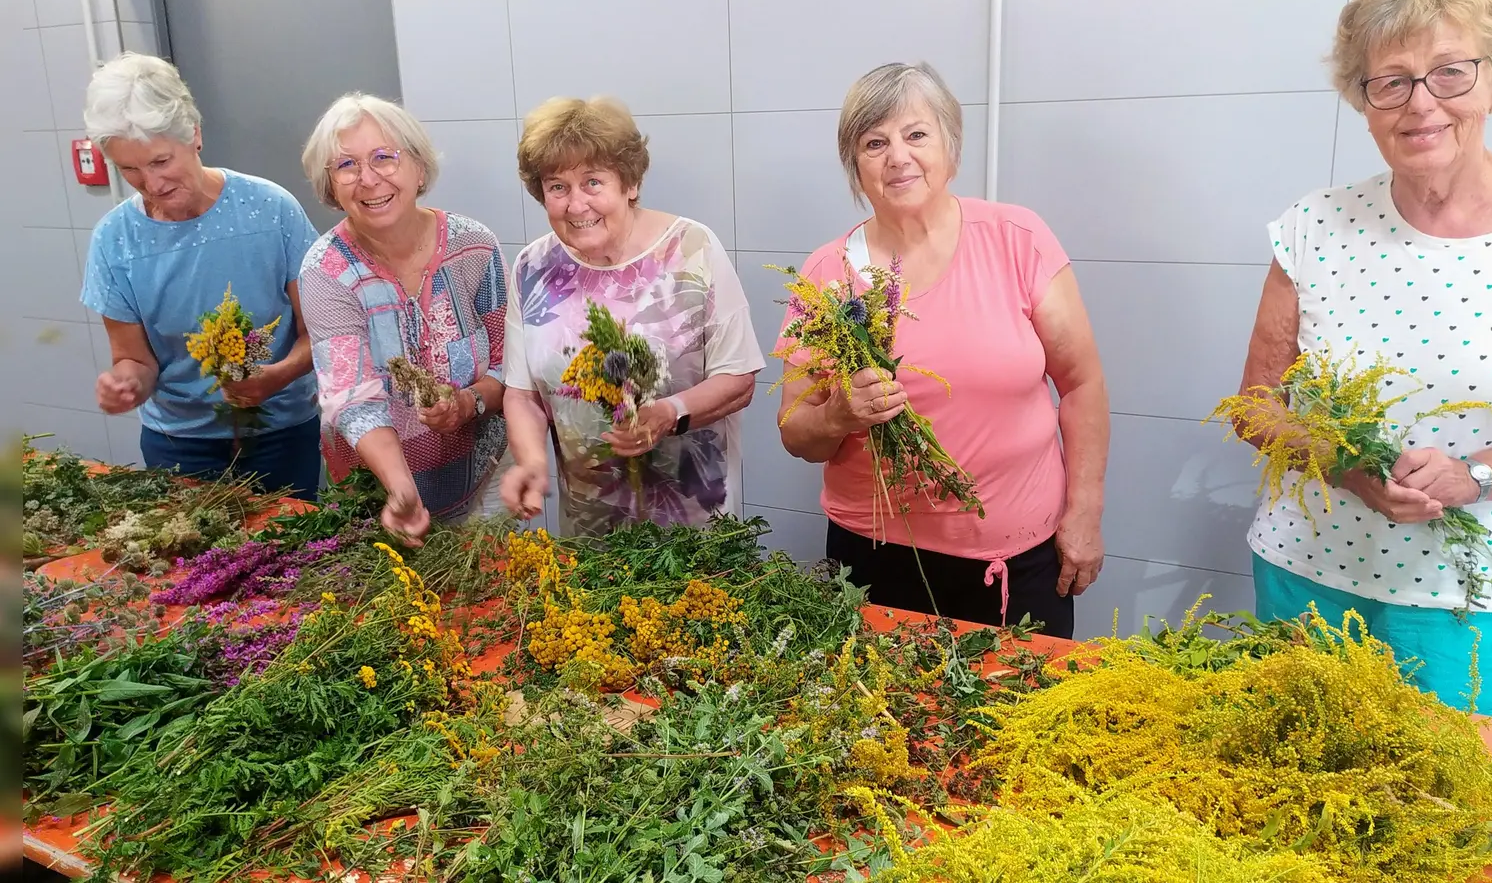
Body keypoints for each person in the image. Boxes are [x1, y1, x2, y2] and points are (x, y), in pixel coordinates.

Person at [1233, 0, 1492, 733]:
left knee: (1464, 802)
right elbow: (1256, 406)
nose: (1420, 103)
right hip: (1308, 578)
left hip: (1491, 601)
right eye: (1389, 82)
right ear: (1362, 101)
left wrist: (1474, 475)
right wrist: (1348, 469)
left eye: (1451, 72)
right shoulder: (1314, 226)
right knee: (1295, 789)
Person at [772, 62, 1110, 639]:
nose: (897, 157)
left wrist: (1084, 513)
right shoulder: (826, 275)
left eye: (916, 134)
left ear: (950, 148)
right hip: (875, 558)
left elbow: (1082, 385)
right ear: (855, 166)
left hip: (1018, 560)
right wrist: (838, 415)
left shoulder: (1016, 239)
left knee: (1023, 696)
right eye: (874, 143)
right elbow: (796, 434)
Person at [498, 96, 765, 536]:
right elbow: (522, 393)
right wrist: (529, 460)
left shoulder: (692, 249)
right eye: (557, 187)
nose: (576, 204)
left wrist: (670, 413)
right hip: (589, 525)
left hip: (694, 525)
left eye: (593, 182)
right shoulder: (532, 267)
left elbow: (738, 379)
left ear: (630, 182)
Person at [79, 52, 321, 497]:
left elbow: (321, 332)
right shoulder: (114, 240)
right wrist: (127, 384)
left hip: (282, 433)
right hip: (179, 444)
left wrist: (278, 375)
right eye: (129, 169)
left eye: (160, 161)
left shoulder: (270, 209)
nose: (152, 184)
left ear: (194, 134)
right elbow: (135, 359)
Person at [297, 94, 511, 545]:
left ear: (419, 167)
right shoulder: (325, 270)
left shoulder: (475, 247)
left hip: (482, 481)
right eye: (346, 165)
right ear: (331, 186)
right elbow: (352, 397)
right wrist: (402, 491)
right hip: (375, 496)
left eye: (384, 157)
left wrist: (467, 403)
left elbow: (507, 367)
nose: (368, 178)